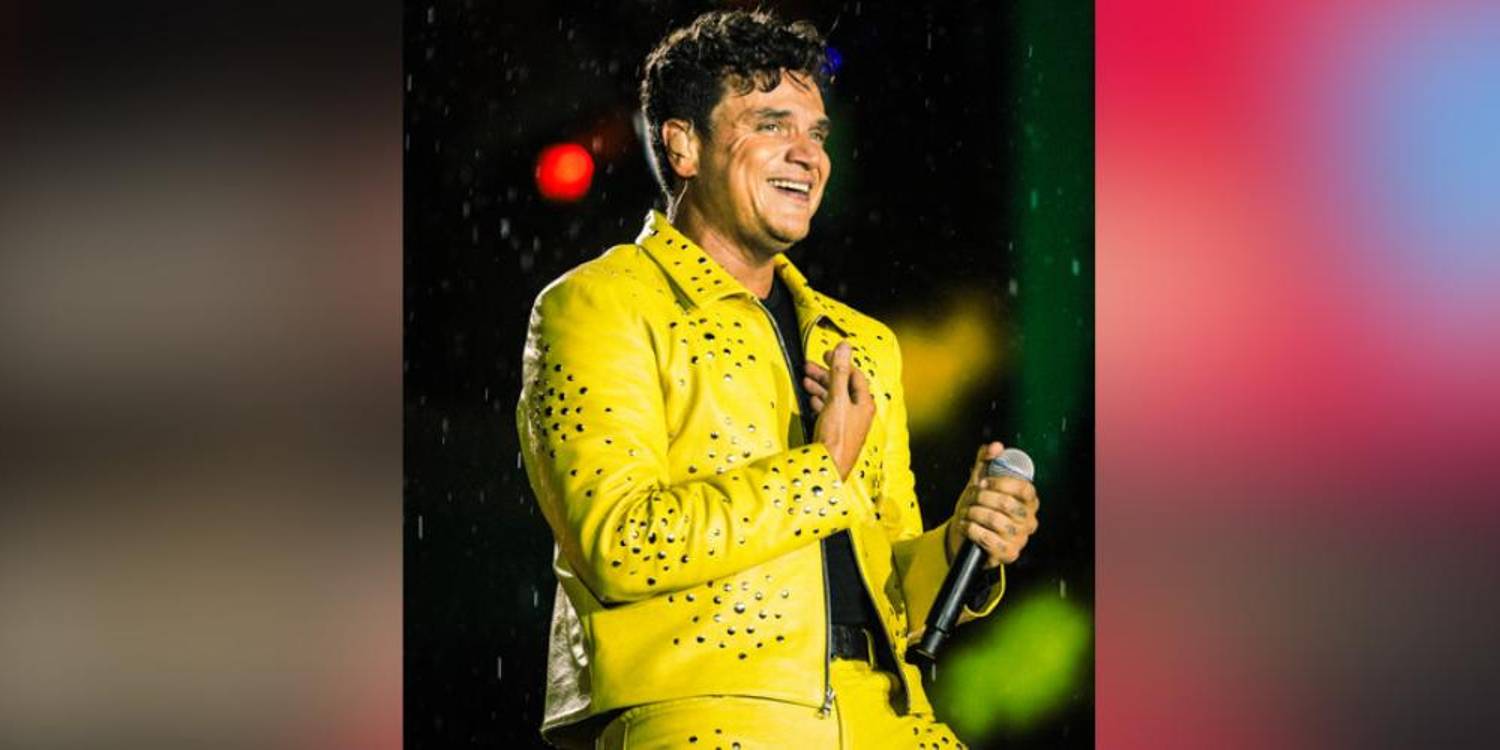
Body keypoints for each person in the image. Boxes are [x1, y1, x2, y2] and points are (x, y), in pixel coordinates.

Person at [516, 10, 1040, 749]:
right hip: (712, 720)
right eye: (771, 125)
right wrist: (823, 467)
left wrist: (959, 547)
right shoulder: (599, 305)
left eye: (816, 134)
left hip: (896, 721)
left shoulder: (860, 342)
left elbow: (889, 596)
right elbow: (623, 545)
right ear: (684, 145)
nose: (807, 155)